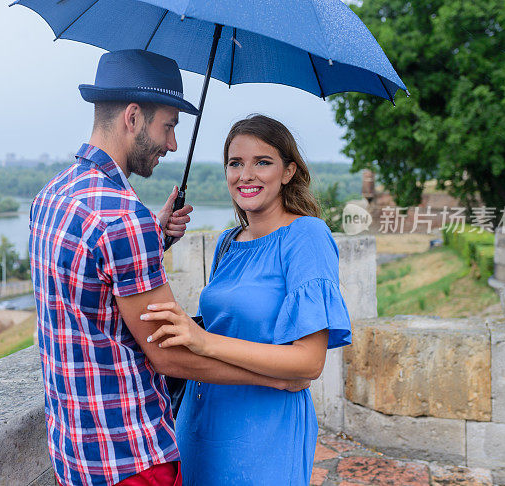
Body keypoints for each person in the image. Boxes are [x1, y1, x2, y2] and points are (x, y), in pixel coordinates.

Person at [29, 51, 309, 486]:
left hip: (75, 450)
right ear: (134, 117)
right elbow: (168, 355)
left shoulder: (53, 196)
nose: (173, 143)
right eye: (169, 125)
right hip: (131, 459)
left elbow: (92, 281)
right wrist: (272, 378)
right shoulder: (123, 219)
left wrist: (154, 237)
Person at [141, 114, 353, 485]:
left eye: (263, 162)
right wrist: (157, 239)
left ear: (288, 171)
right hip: (198, 422)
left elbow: (309, 361)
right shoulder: (227, 242)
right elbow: (227, 322)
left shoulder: (306, 236)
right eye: (235, 163)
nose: (246, 175)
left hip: (264, 432)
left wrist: (203, 340)